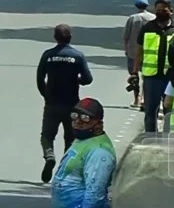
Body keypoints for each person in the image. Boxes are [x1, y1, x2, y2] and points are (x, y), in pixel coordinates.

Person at [37, 24, 94, 184]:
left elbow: (40, 78)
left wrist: (46, 95)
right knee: (70, 138)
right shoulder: (77, 56)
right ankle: (64, 169)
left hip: (52, 103)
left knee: (47, 136)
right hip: (72, 104)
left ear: (55, 37)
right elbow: (88, 79)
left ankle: (49, 156)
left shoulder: (48, 55)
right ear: (70, 37)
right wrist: (78, 80)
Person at [51, 98, 117, 208]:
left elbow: (95, 194)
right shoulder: (83, 139)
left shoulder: (99, 152)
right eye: (75, 115)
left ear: (99, 124)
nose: (77, 121)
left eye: (85, 118)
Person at [133, 0, 174, 133]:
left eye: (163, 10)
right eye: (158, 10)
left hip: (171, 77)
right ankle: (150, 137)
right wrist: (134, 72)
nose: (160, 13)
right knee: (150, 111)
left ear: (171, 11)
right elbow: (139, 51)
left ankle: (167, 137)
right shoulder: (147, 28)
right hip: (152, 77)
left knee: (169, 111)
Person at [123, 0, 155, 108]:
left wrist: (126, 49)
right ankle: (145, 100)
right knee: (147, 77)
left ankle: (136, 99)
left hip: (133, 52)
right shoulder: (153, 18)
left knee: (134, 76)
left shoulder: (132, 18)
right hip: (149, 53)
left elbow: (126, 36)